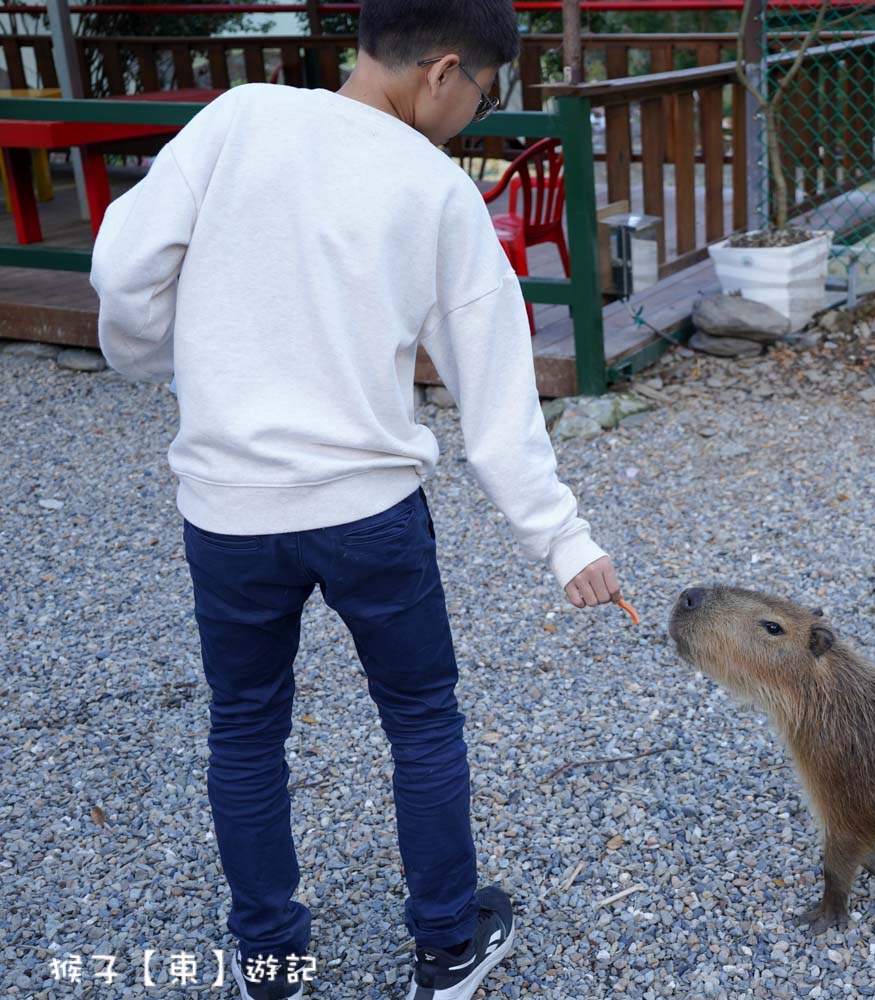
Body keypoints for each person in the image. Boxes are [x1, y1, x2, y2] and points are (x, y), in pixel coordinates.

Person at [88, 3, 622, 998]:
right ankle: (446, 947)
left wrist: (154, 358)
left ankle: (273, 959)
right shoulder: (434, 190)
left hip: (228, 509)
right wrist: (563, 541)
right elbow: (497, 403)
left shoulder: (240, 118)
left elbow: (124, 268)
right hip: (369, 511)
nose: (472, 114)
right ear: (444, 71)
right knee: (420, 722)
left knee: (244, 729)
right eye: (484, 95)